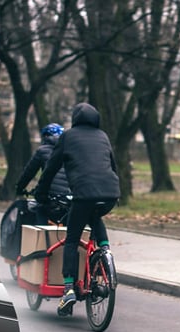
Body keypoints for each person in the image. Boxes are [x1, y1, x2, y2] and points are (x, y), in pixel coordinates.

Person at [34, 103, 120, 316]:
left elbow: (52, 167)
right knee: (95, 214)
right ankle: (105, 251)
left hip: (83, 195)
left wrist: (41, 193)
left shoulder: (69, 136)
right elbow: (113, 165)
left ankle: (69, 288)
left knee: (72, 240)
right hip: (110, 193)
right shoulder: (103, 136)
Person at [15, 123, 71, 224]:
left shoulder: (42, 151)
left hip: (51, 196)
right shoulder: (71, 150)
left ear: (45, 137)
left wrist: (19, 188)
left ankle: (42, 235)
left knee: (40, 210)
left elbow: (29, 173)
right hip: (70, 195)